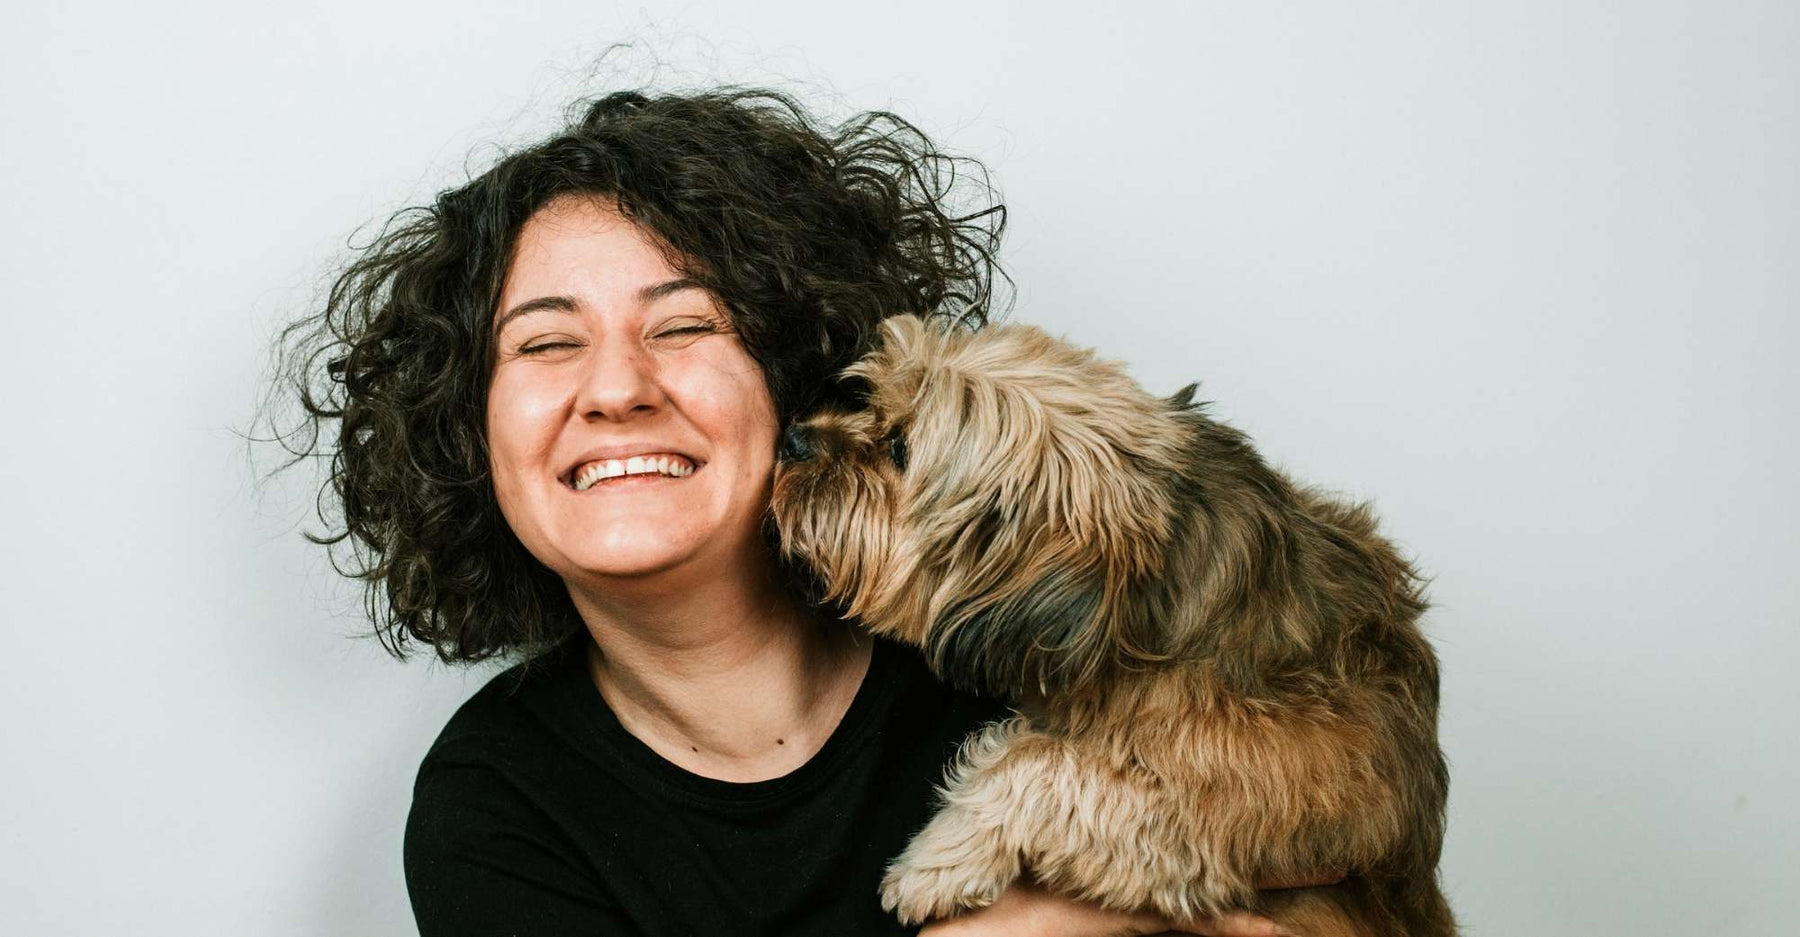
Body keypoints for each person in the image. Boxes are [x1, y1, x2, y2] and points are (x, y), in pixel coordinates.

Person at [272, 85, 1321, 936]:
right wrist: (1038, 924)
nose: (617, 388)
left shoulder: (1035, 632)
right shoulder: (496, 807)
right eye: (546, 343)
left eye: (684, 325)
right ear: (467, 437)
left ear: (792, 374)